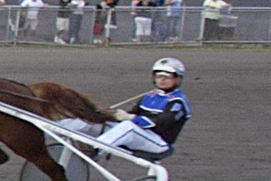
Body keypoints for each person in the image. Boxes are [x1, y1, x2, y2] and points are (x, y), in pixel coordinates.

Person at [59, 58, 191, 159]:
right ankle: (53, 129)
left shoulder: (178, 102)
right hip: (138, 135)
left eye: (167, 77)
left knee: (128, 126)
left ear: (178, 79)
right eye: (159, 76)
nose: (162, 80)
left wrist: (129, 117)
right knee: (91, 122)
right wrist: (110, 115)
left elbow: (161, 124)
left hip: (159, 143)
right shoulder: (149, 96)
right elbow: (131, 114)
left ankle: (94, 150)